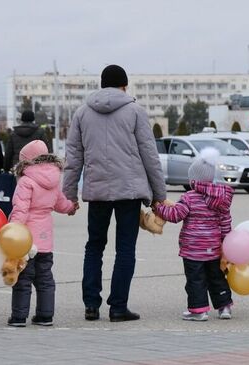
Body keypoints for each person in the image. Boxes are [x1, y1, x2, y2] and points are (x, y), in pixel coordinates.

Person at [62, 64, 167, 322]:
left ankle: (91, 304)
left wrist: (69, 194)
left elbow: (74, 157)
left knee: (94, 246)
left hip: (97, 190)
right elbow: (149, 155)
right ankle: (118, 307)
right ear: (125, 85)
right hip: (129, 193)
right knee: (125, 248)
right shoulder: (135, 111)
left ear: (101, 85)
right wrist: (159, 194)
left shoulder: (82, 113)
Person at [153, 148, 234, 321]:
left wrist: (158, 208)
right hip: (213, 248)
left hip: (193, 250)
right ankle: (224, 307)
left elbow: (175, 215)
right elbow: (226, 223)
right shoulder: (221, 199)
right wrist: (227, 242)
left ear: (193, 180)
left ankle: (199, 311)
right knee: (217, 277)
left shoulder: (189, 197)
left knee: (196, 280)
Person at [6, 140, 78, 327]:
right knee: (45, 278)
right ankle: (45, 315)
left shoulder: (26, 181)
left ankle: (19, 317)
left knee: (23, 279)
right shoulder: (54, 181)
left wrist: (13, 230)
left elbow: (21, 210)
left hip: (27, 242)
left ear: (26, 161)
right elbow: (61, 204)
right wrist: (71, 207)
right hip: (46, 242)